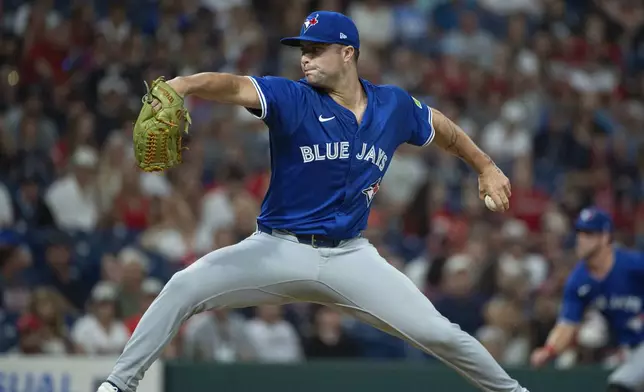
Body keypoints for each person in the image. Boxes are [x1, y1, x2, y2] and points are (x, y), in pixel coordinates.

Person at [98, 11, 527, 392]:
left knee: (441, 334)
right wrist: (184, 83)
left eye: (317, 50)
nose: (305, 58)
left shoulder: (392, 105)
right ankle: (119, 385)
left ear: (347, 54)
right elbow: (233, 86)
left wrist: (485, 166)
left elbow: (442, 127)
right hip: (276, 249)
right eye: (303, 50)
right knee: (183, 286)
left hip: (350, 257)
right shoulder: (293, 98)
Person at [531, 207, 644, 392]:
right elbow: (567, 324)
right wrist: (549, 350)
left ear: (605, 237)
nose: (581, 239)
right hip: (629, 349)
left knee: (620, 386)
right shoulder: (579, 280)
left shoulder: (633, 265)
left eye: (589, 234)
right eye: (580, 233)